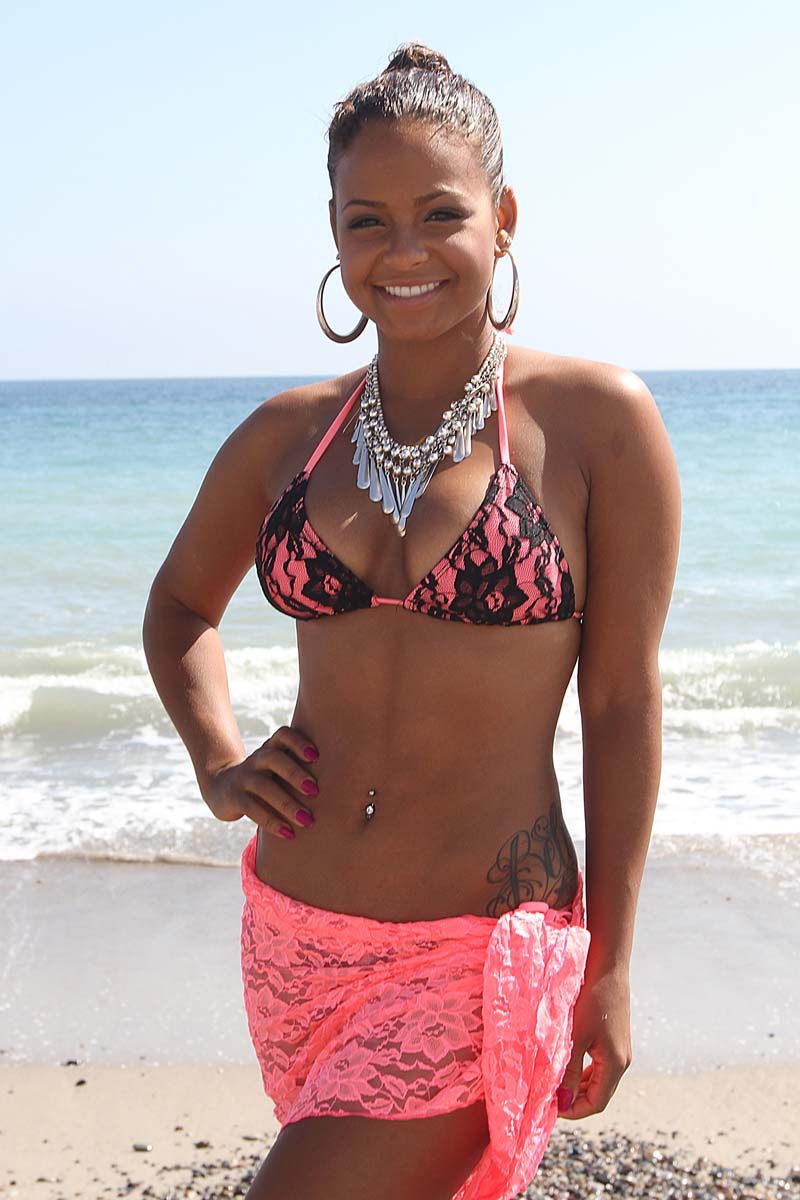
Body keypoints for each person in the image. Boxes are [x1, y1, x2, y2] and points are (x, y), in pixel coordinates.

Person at [143, 41, 681, 1200]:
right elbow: (179, 606)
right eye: (366, 222)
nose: (402, 253)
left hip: (477, 952)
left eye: (440, 214)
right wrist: (219, 762)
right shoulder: (288, 435)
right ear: (333, 237)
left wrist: (611, 965)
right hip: (294, 940)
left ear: (503, 218)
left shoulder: (596, 423)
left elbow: (621, 703)